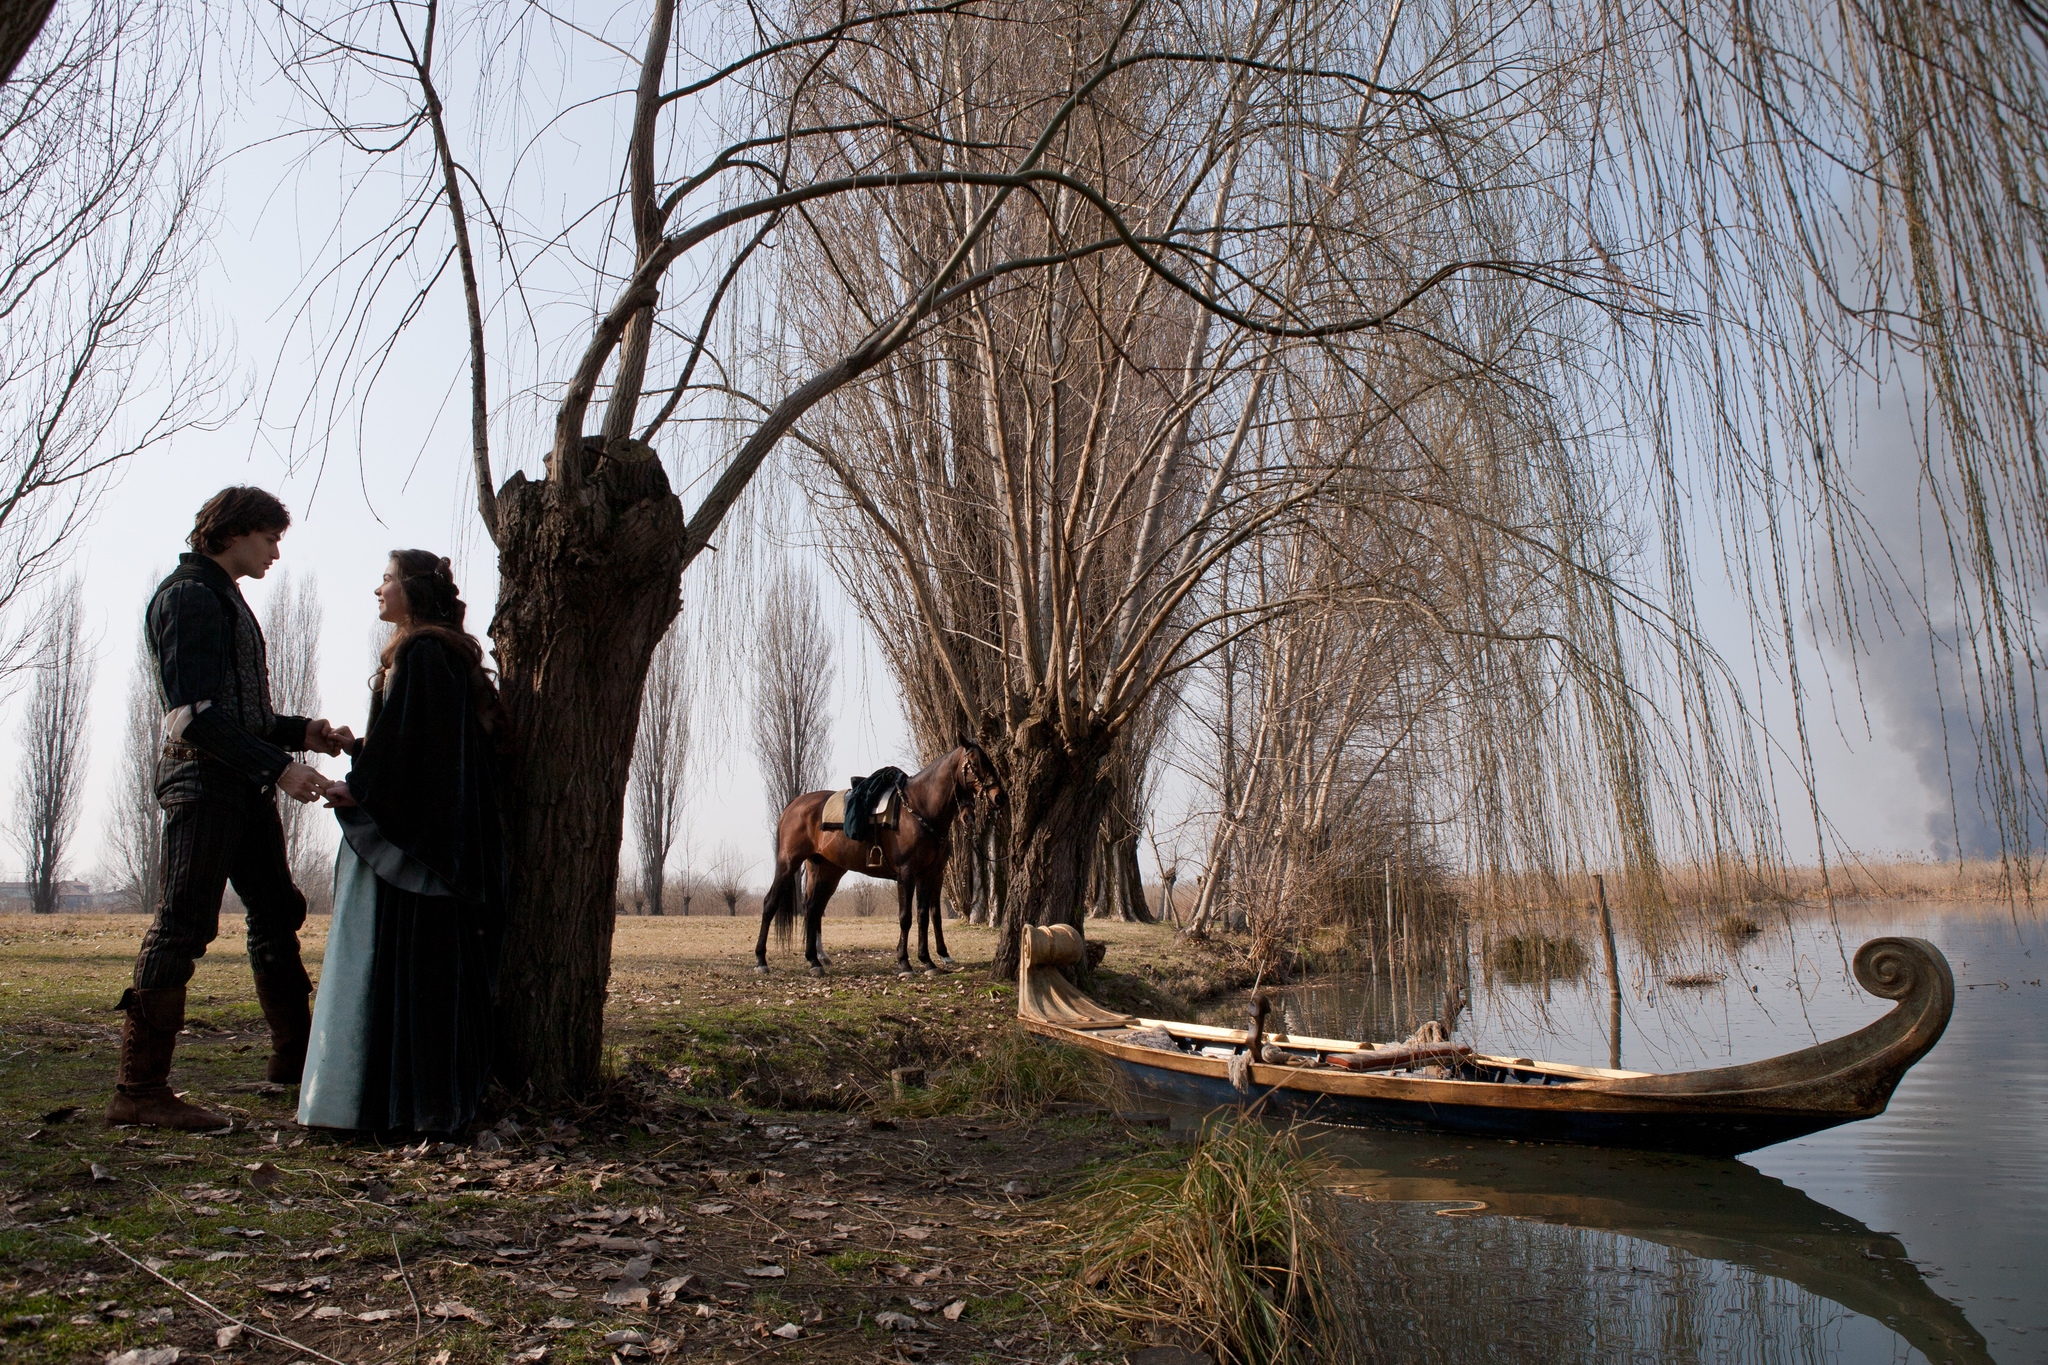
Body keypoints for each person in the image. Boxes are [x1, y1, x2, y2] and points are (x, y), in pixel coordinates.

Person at [112, 487, 352, 1131]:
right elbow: (192, 718)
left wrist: (304, 732)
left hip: (238, 785)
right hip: (202, 785)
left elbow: (241, 715)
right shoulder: (189, 597)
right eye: (270, 538)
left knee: (277, 912)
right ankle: (139, 1090)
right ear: (235, 531)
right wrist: (280, 768)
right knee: (183, 925)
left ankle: (296, 1063)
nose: (276, 552)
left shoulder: (222, 596)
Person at [298, 550, 508, 1134]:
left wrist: (358, 787)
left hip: (428, 853)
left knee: (418, 971)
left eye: (387, 579)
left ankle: (415, 1108)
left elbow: (424, 754)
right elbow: (422, 746)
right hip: (443, 843)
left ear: (413, 588)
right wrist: (364, 754)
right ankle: (418, 1104)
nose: (378, 590)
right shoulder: (432, 655)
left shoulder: (422, 653)